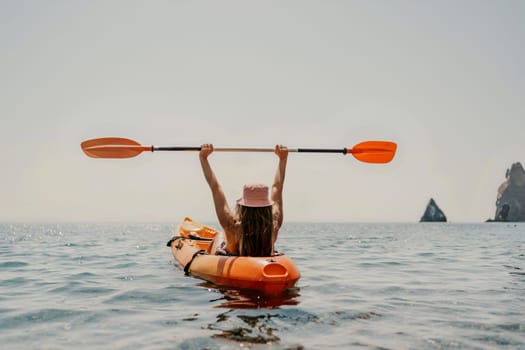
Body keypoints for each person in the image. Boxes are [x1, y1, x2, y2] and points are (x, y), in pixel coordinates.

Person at [199, 144, 288, 256]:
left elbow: (215, 188)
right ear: (267, 206)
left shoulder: (231, 226)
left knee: (221, 239)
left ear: (243, 206)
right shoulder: (273, 226)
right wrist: (283, 158)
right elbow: (277, 188)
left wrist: (203, 158)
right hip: (261, 260)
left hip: (232, 258)